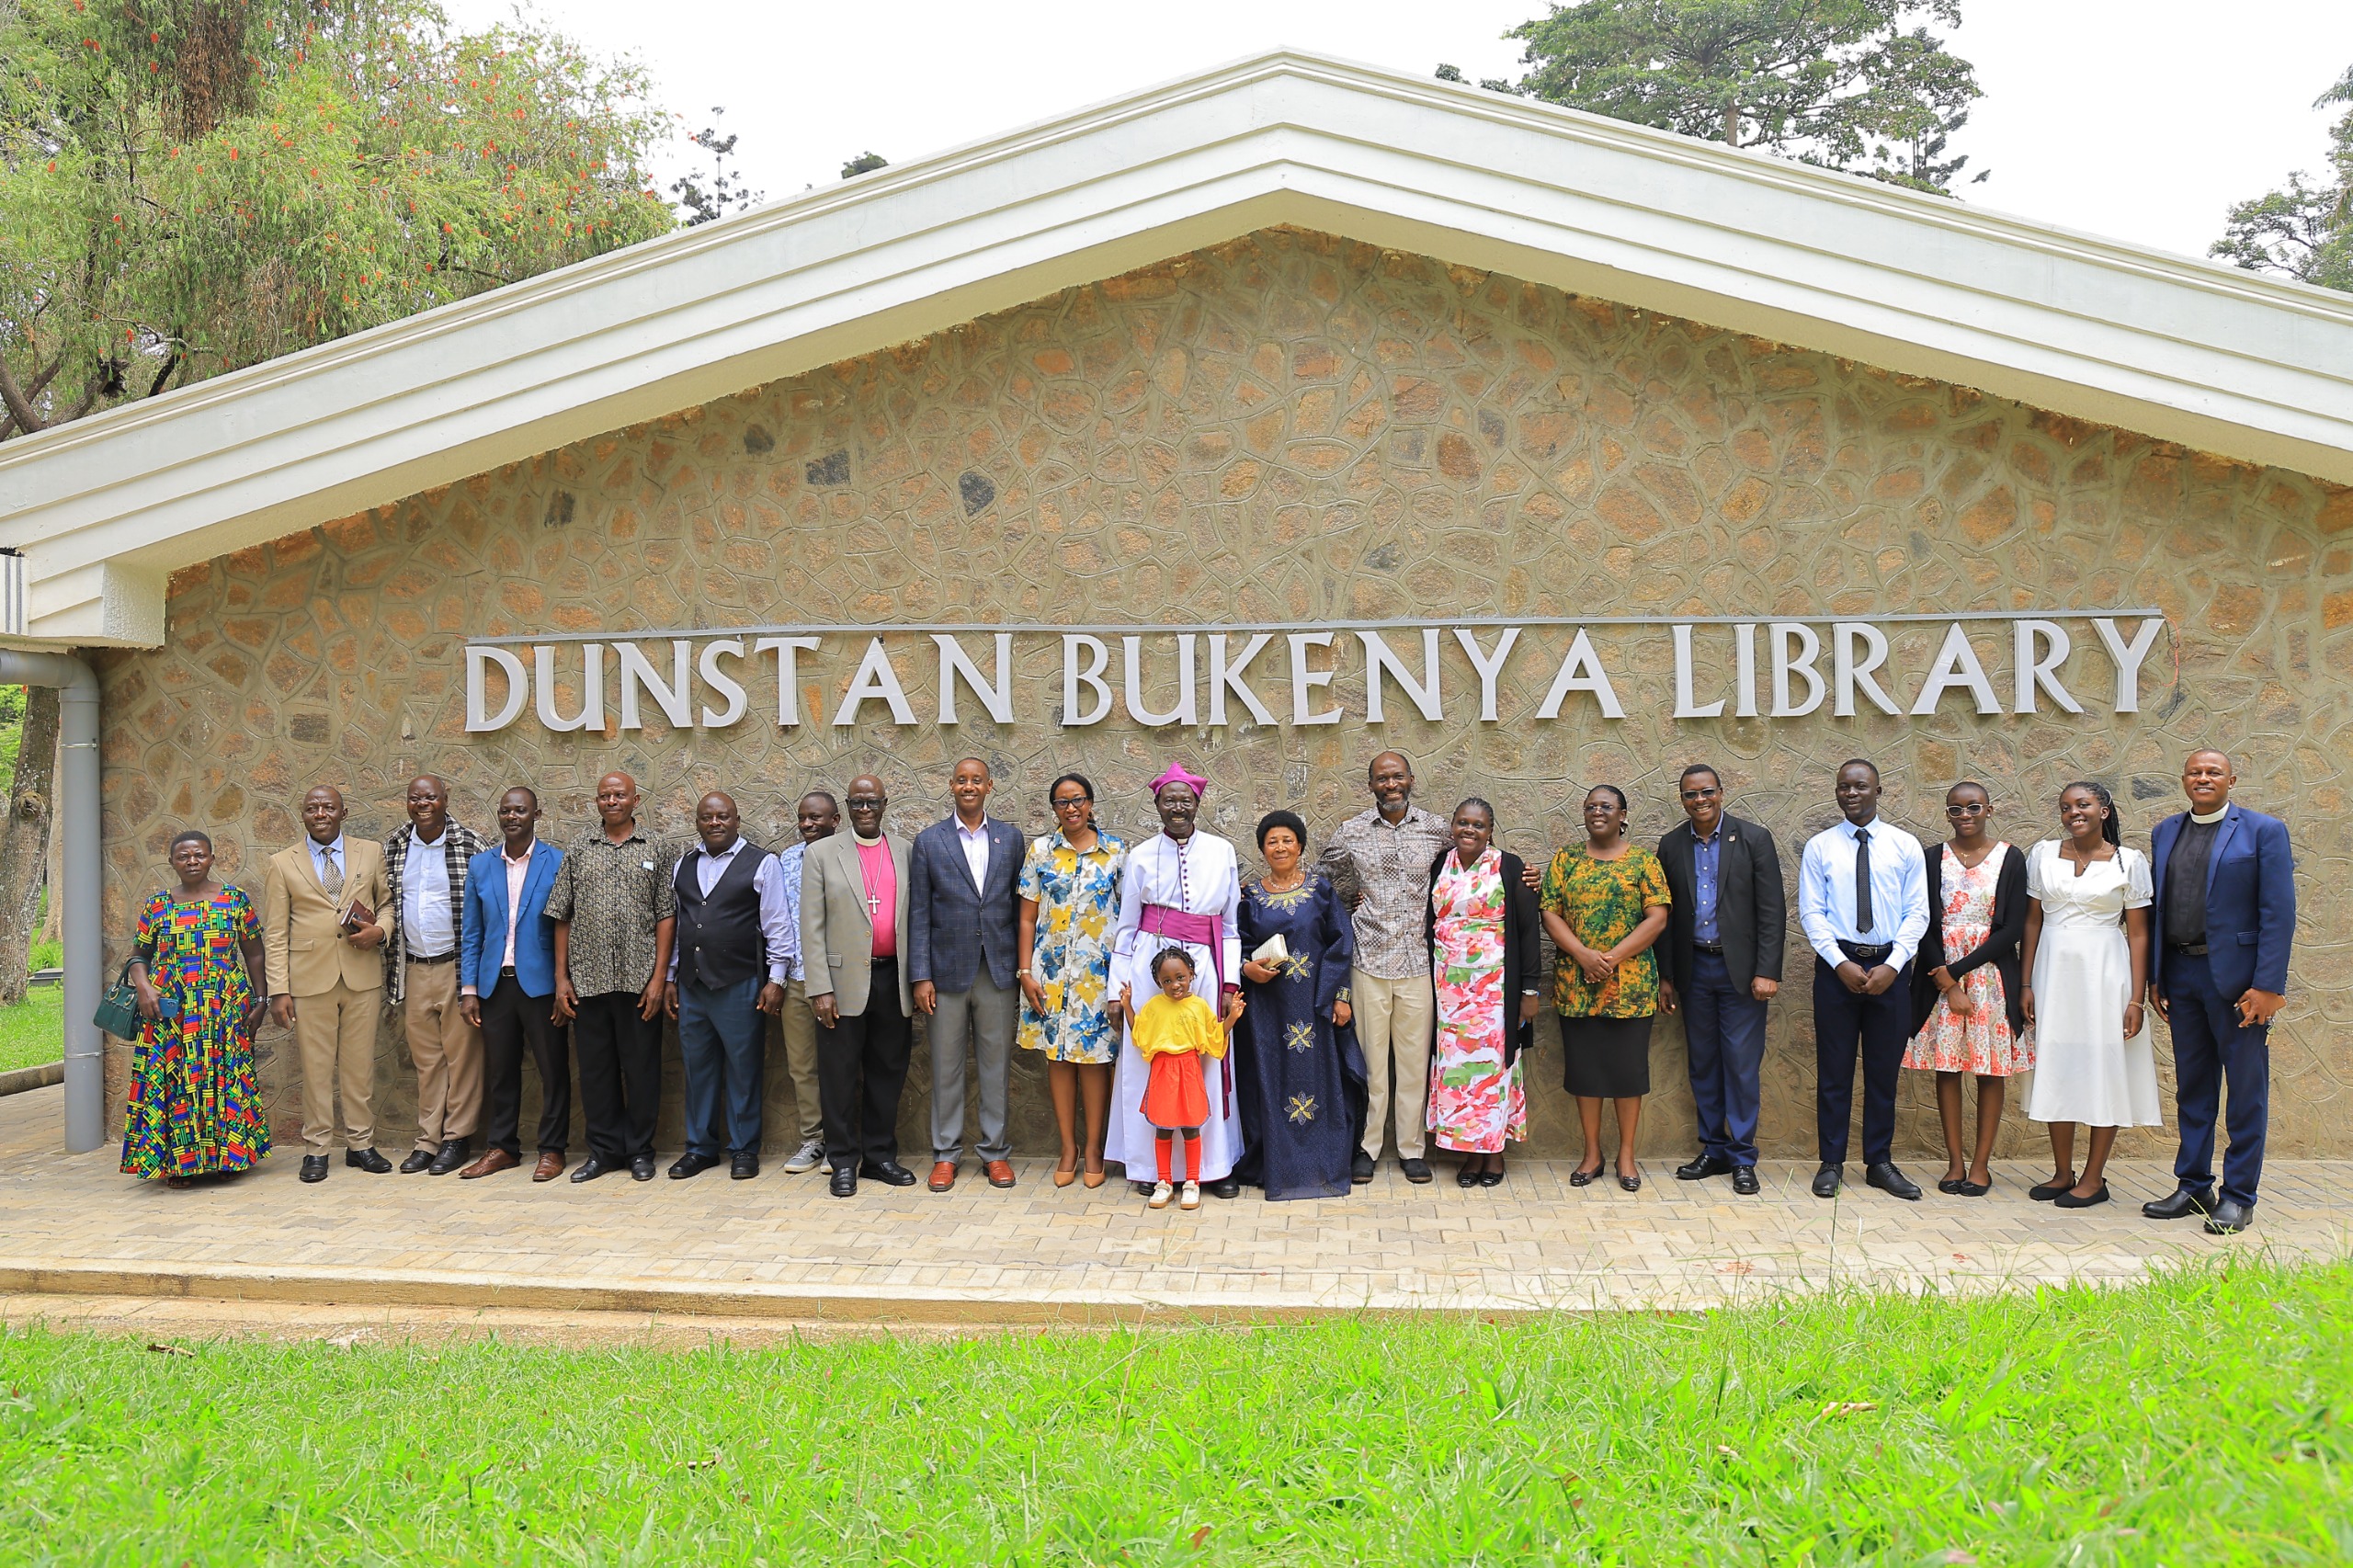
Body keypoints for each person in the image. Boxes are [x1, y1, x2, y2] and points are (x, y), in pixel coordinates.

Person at [2144, 749, 2296, 1236]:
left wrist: (2268, 986)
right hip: (2181, 975)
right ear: (2184, 780)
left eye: (2214, 772)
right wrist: (2156, 977)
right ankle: (2194, 1186)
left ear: (2232, 779)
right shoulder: (2166, 831)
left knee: (2245, 1091)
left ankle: (2239, 1197)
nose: (2204, 778)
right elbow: (2160, 909)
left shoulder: (2263, 831)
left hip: (2239, 984)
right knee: (2193, 1087)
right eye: (2195, 772)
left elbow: (2278, 913)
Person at [1108, 765, 1246, 1197]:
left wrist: (1228, 985)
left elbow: (1230, 926)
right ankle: (1152, 1169)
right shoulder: (1141, 855)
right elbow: (1126, 927)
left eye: (1185, 800)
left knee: (1207, 1059)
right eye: (1169, 800)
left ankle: (1212, 1167)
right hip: (1150, 969)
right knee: (1150, 1061)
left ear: (1197, 804)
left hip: (1205, 967)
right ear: (1157, 805)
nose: (1178, 807)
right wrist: (1116, 992)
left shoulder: (1221, 851)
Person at [2020, 781, 2159, 1210]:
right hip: (2052, 972)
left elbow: (2139, 934)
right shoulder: (2042, 854)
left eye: (2083, 804)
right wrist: (2025, 983)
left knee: (2104, 1065)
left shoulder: (2129, 862)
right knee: (2058, 1062)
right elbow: (2032, 923)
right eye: (2065, 807)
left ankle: (2095, 1177)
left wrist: (2136, 999)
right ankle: (2063, 1172)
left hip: (2105, 973)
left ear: (2104, 810)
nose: (2073, 813)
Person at [1797, 759, 1930, 1201]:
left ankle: (1879, 1162)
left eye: (1860, 786)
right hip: (1837, 967)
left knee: (1883, 1072)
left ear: (1878, 791)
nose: (1851, 793)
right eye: (1843, 787)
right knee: (1834, 1071)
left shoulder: (1904, 845)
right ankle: (1831, 1162)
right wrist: (1839, 963)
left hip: (1891, 966)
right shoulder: (1820, 847)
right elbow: (1811, 912)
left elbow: (1918, 912)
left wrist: (1894, 964)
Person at [1317, 751, 1450, 1185]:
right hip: (1368, 962)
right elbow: (1322, 881)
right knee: (1372, 1065)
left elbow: (1472, 864)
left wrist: (1522, 874)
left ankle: (1411, 1149)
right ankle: (1367, 1148)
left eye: (1397, 777)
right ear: (1371, 784)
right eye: (1382, 778)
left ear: (1411, 779)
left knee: (1413, 1065)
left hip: (1418, 963)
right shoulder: (1351, 832)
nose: (1391, 785)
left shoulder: (1437, 830)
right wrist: (1347, 904)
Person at [1656, 764, 1783, 1197]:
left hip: (1742, 974)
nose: (1700, 800)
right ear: (1682, 800)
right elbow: (1665, 915)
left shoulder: (1753, 839)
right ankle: (1714, 1150)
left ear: (1721, 793)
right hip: (1694, 969)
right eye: (1691, 794)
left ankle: (1743, 1157)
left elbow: (1772, 911)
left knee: (1741, 1065)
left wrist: (1767, 971)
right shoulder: (1671, 845)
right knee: (1704, 1063)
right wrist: (1667, 976)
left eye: (1706, 792)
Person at [547, 771, 677, 1184]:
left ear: (635, 800)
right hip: (589, 980)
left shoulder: (657, 847)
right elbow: (562, 914)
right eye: (605, 795)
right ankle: (602, 1152)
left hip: (640, 982)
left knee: (641, 1070)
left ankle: (639, 1151)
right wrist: (561, 978)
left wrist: (659, 978)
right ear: (597, 802)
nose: (612, 801)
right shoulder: (579, 848)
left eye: (620, 795)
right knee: (596, 1071)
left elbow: (667, 915)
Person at [1540, 785, 1671, 1194]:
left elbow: (1657, 918)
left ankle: (1626, 1155)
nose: (1597, 811)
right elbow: (1550, 912)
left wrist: (1609, 959)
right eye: (1590, 806)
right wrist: (1583, 955)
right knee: (1586, 1072)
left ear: (1622, 814)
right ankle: (1592, 1154)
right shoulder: (1566, 859)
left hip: (1630, 987)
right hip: (1577, 985)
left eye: (1606, 806)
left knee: (1628, 1073)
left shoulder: (1643, 862)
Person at [121, 830, 270, 1187]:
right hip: (173, 1012)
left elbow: (254, 953)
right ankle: (179, 1164)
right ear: (172, 862)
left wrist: (261, 1000)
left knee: (224, 1077)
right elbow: (138, 956)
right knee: (177, 1081)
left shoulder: (235, 900)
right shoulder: (157, 905)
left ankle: (226, 1158)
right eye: (184, 856)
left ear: (212, 859)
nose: (192, 861)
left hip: (224, 1007)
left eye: (199, 855)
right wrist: (143, 986)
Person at [261, 784, 392, 1184]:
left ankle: (360, 1145)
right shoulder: (282, 863)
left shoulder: (370, 852)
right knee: (316, 1069)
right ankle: (316, 1149)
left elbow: (387, 904)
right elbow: (275, 932)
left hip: (360, 975)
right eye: (312, 808)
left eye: (329, 807)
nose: (321, 813)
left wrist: (381, 932)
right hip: (309, 978)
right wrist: (278, 990)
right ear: (303, 814)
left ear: (343, 812)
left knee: (358, 1067)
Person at [1903, 781, 2029, 1198]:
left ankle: (1980, 1166)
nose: (1965, 815)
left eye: (1974, 807)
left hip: (1990, 977)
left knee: (1990, 1070)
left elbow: (2011, 928)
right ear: (1947, 814)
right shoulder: (1931, 858)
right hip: (1939, 973)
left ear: (1990, 810)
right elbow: (1922, 919)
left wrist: (1953, 974)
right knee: (1948, 1067)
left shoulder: (2010, 857)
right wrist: (1943, 979)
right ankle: (1955, 1162)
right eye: (1956, 809)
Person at [909, 757, 1027, 1192]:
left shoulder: (1010, 838)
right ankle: (945, 1154)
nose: (969, 786)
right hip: (945, 973)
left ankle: (995, 1153)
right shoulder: (929, 841)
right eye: (962, 780)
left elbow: (1020, 906)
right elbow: (919, 912)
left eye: (977, 780)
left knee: (996, 1065)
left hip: (997, 969)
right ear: (951, 785)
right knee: (946, 1066)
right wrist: (921, 976)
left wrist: (1022, 967)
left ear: (990, 786)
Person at [1233, 810, 1362, 1201]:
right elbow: (1237, 944)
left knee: (1321, 1080)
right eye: (1272, 841)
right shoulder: (1249, 898)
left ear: (1300, 846)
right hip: (1267, 1009)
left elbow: (1341, 944)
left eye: (1287, 840)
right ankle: (1280, 1166)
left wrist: (1340, 997)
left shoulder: (1321, 891)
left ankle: (1322, 1165)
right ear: (1262, 849)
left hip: (1314, 1005)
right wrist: (1246, 967)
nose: (1280, 847)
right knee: (1272, 1082)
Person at [663, 790, 790, 1181]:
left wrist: (777, 978)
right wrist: (670, 977)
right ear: (698, 822)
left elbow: (776, 924)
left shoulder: (762, 863)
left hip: (740, 983)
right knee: (697, 1068)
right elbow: (679, 925)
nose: (715, 823)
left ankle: (744, 1149)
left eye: (723, 816)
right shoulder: (683, 864)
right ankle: (699, 1149)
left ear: (736, 820)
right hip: (692, 984)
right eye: (707, 817)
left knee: (743, 1068)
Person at [801, 773, 916, 1198]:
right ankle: (843, 1161)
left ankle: (880, 1157)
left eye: (872, 802)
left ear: (885, 805)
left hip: (893, 977)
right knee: (839, 1075)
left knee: (888, 1071)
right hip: (841, 981)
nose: (865, 809)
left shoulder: (905, 851)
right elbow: (810, 926)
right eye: (857, 803)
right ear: (846, 809)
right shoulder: (822, 853)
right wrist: (820, 987)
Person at [1424, 798, 1543, 1187]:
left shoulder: (1509, 866)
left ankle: (1493, 1154)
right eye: (1463, 822)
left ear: (1490, 831)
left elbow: (1528, 929)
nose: (1469, 830)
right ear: (1452, 826)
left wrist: (1530, 989)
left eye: (1478, 825)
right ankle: (1469, 1155)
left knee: (1492, 1070)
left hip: (1495, 991)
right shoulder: (1440, 865)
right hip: (1449, 992)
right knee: (1456, 1072)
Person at [1015, 774, 1126, 1188]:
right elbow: (1027, 918)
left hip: (1097, 976)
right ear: (1054, 809)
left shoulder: (1116, 852)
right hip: (1049, 975)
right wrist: (1025, 972)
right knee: (1058, 1058)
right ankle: (1068, 1148)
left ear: (1091, 803)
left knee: (1095, 1061)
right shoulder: (1040, 851)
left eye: (1078, 800)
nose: (1071, 808)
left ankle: (1094, 1148)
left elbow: (1128, 918)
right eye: (1062, 802)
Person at [457, 788, 569, 1182]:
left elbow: (567, 926)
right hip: (495, 986)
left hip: (541, 986)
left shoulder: (557, 861)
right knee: (501, 1071)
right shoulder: (480, 865)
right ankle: (502, 1147)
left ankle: (552, 1150)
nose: (512, 816)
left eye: (520, 810)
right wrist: (469, 989)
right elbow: (472, 932)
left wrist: (564, 984)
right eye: (506, 810)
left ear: (536, 814)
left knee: (553, 1069)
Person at [382, 776, 492, 1176]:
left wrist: (476, 978)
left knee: (463, 1059)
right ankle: (428, 1141)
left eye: (430, 797)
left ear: (446, 800)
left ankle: (457, 1138)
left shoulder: (471, 844)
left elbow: (488, 909)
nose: (422, 804)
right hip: (412, 967)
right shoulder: (395, 846)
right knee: (427, 1061)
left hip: (456, 966)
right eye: (415, 798)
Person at [1130, 947, 1232, 1210]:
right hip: (1162, 1071)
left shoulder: (1199, 1006)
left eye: (1180, 978)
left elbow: (1214, 1036)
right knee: (1162, 1127)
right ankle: (1163, 1182)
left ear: (1191, 974)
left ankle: (1192, 1182)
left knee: (1191, 1126)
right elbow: (1139, 1032)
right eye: (1167, 980)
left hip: (1189, 1070)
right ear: (1158, 983)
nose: (1175, 985)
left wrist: (1232, 1017)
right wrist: (1127, 1005)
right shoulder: (1154, 1007)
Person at [773, 790, 840, 1176]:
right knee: (801, 1065)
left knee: (841, 1064)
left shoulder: (848, 855)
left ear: (835, 821)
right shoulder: (788, 859)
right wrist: (778, 975)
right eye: (802, 817)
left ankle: (841, 1141)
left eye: (816, 817)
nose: (807, 824)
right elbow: (778, 919)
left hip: (838, 980)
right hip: (796, 978)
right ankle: (814, 1140)